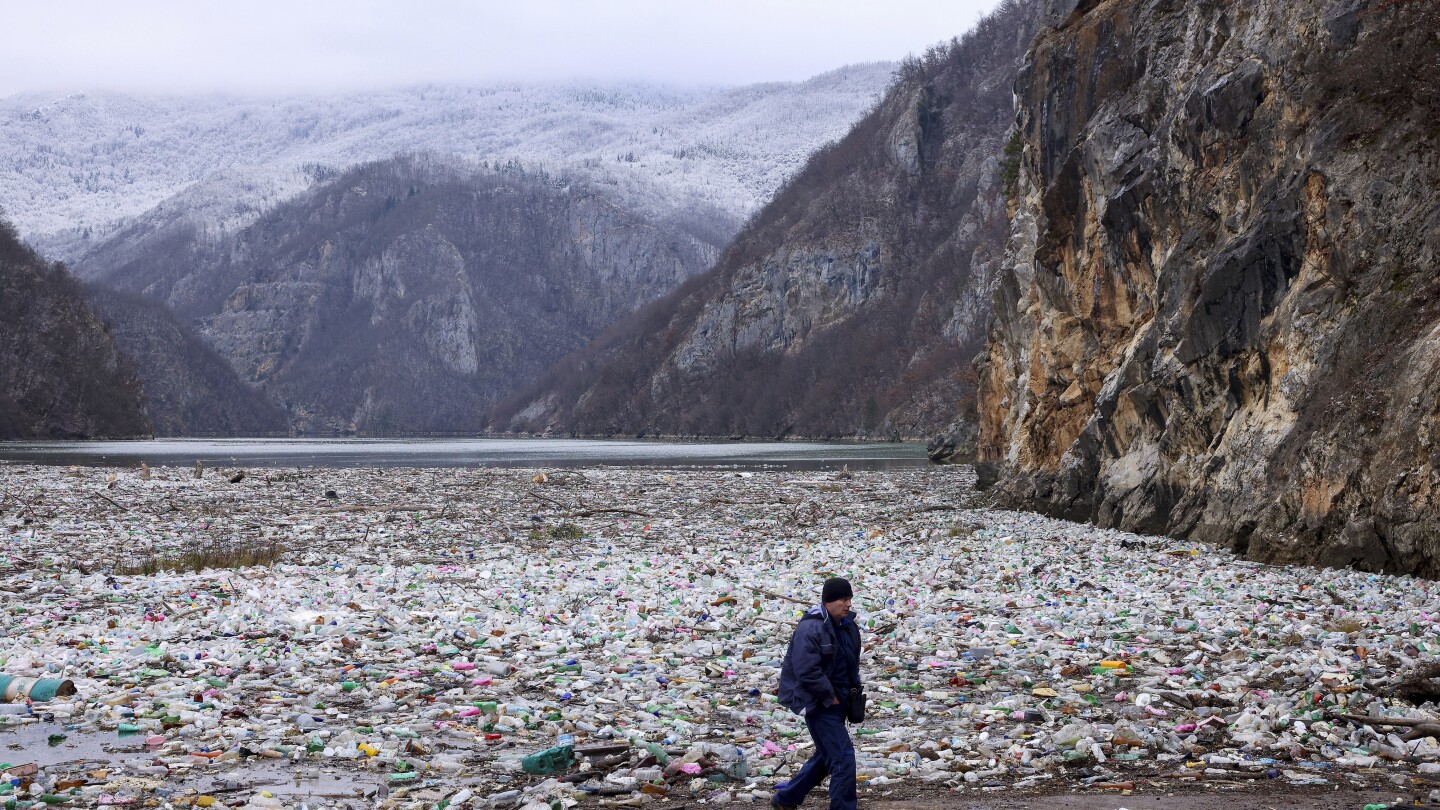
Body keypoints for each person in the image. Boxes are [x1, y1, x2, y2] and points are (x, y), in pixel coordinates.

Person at [772, 576, 861, 810]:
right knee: (842, 759)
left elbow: (851, 663)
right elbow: (806, 670)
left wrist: (853, 695)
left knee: (825, 757)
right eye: (844, 599)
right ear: (829, 601)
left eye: (850, 599)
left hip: (839, 701)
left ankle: (786, 799)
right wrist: (828, 696)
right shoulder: (811, 627)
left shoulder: (847, 626)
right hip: (819, 703)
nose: (849, 604)